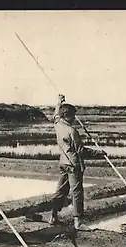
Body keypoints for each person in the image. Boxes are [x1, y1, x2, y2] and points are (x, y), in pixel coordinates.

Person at [50, 94, 106, 231]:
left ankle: (53, 217)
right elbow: (81, 150)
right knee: (77, 193)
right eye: (73, 116)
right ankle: (78, 223)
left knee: (60, 191)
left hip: (63, 163)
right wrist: (99, 153)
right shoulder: (72, 131)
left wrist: (59, 102)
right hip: (74, 165)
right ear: (68, 116)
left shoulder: (58, 125)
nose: (74, 119)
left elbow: (55, 115)